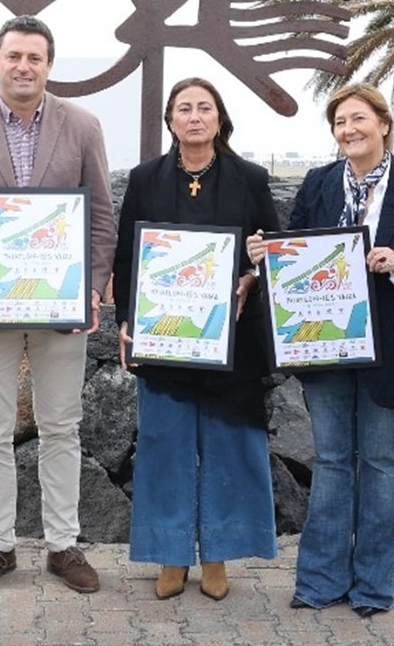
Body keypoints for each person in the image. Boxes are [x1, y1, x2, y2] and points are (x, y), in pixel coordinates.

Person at [0, 14, 117, 594]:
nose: (23, 66)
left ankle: (63, 545)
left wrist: (91, 289)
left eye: (34, 58)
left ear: (49, 65)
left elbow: (101, 218)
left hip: (63, 308)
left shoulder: (83, 125)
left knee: (62, 426)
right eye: (14, 56)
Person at [252, 82, 394, 617]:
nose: (349, 130)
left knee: (383, 462)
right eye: (340, 122)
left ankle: (373, 586)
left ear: (383, 124)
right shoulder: (317, 185)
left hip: (392, 343)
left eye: (359, 119)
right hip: (326, 345)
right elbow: (294, 251)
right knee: (333, 460)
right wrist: (266, 254)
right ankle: (319, 582)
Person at [112, 78, 280, 600]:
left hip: (233, 340)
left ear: (220, 118)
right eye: (184, 108)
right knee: (164, 445)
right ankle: (170, 555)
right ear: (170, 120)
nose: (194, 117)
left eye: (204, 108)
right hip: (165, 338)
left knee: (231, 447)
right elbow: (126, 254)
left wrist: (254, 274)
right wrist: (125, 319)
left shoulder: (250, 178)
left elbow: (273, 251)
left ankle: (219, 556)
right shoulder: (145, 179)